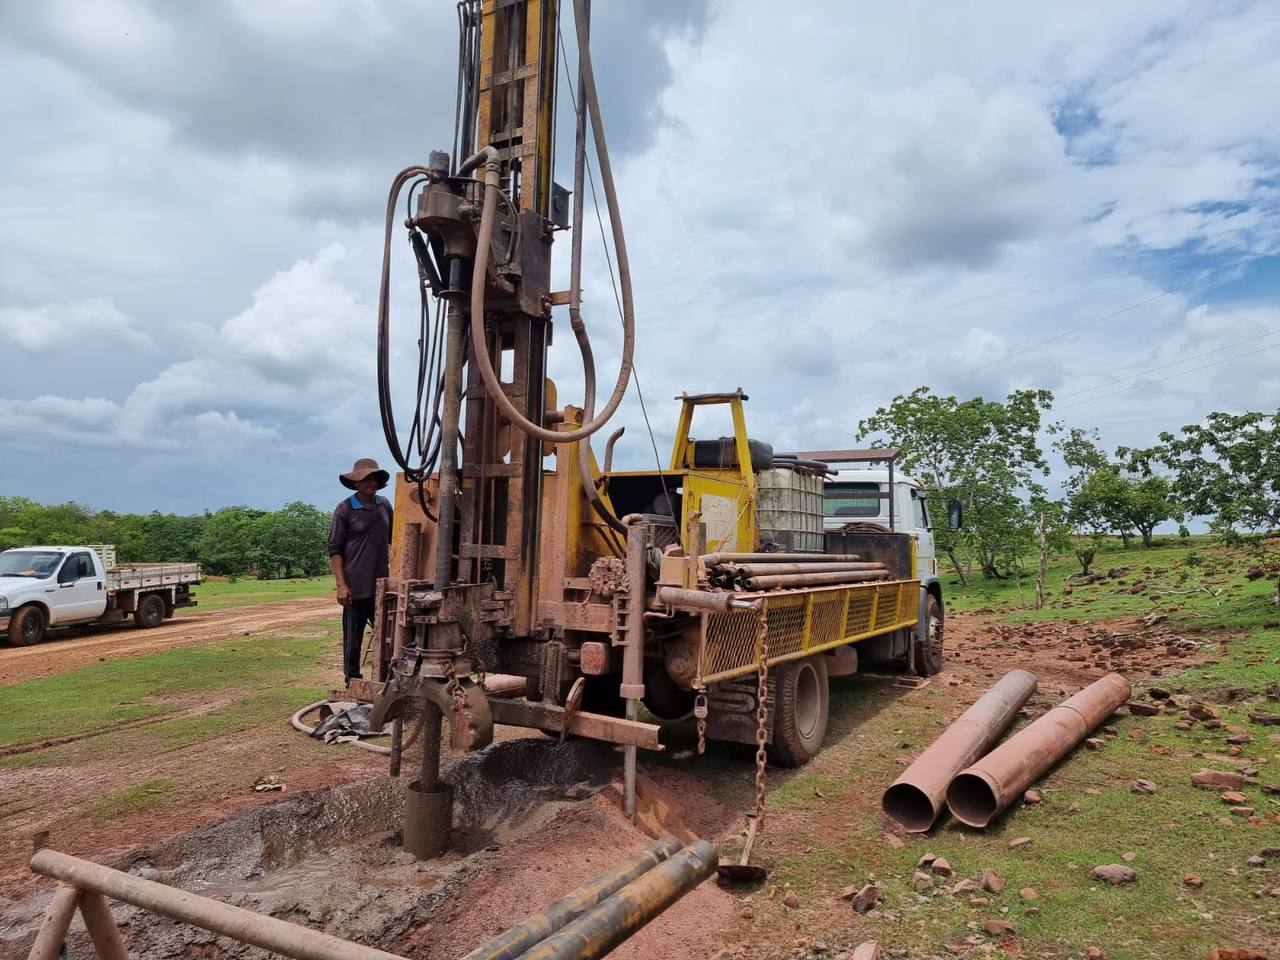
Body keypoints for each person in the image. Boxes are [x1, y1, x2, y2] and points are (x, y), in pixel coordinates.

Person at [329, 457, 394, 683]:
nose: (372, 482)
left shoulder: (384, 505)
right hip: (355, 588)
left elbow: (393, 540)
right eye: (366, 479)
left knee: (388, 636)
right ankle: (352, 680)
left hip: (382, 586)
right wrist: (341, 585)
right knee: (353, 638)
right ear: (355, 482)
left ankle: (386, 679)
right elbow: (335, 549)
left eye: (374, 478)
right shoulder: (344, 509)